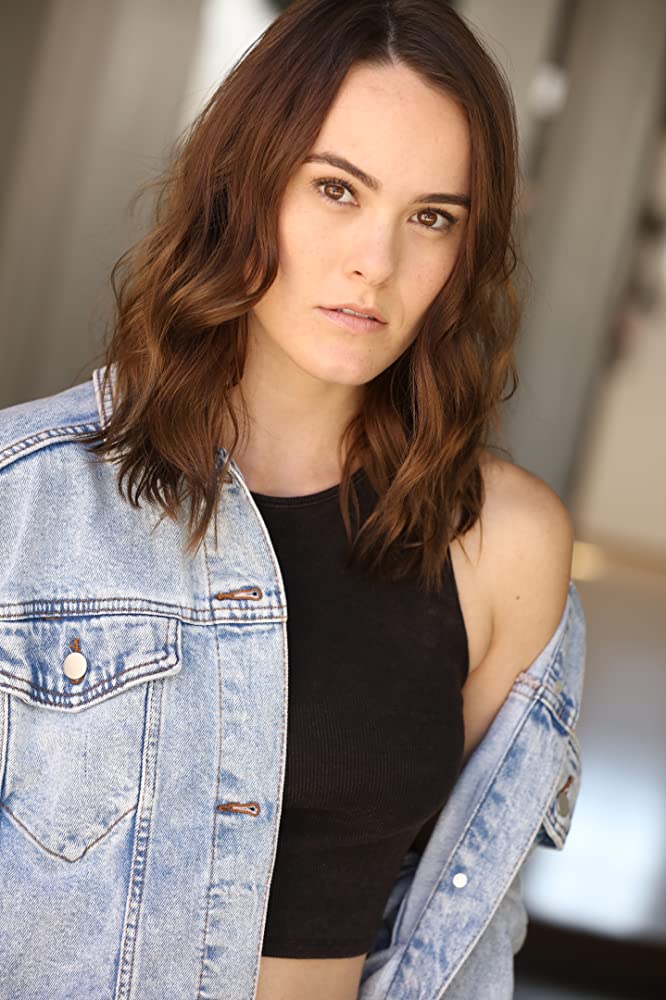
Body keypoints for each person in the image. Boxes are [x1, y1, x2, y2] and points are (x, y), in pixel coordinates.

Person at [0, 1, 586, 998]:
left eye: (432, 217)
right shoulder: (26, 502)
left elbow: (461, 928)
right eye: (336, 189)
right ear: (244, 185)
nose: (376, 263)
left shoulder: (502, 543)